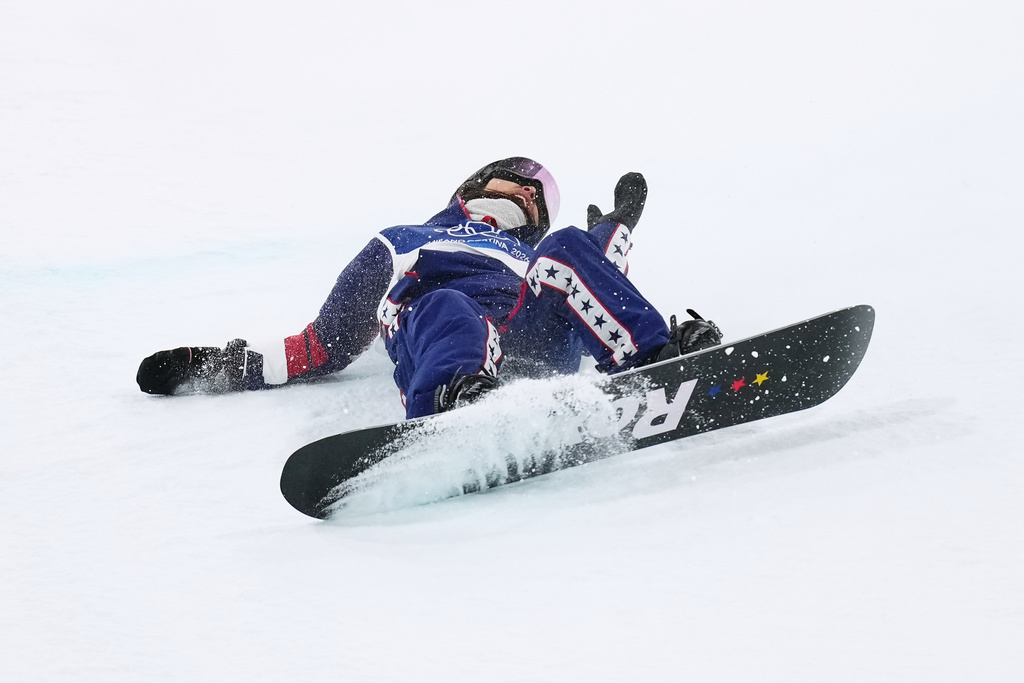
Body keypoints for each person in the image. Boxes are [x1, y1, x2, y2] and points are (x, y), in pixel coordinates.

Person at [137, 157, 722, 418]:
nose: (527, 197)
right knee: (447, 303)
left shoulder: (534, 252)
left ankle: (655, 364)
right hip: (447, 339)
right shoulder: (405, 238)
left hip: (535, 341)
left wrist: (618, 225)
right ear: (471, 188)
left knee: (570, 248)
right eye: (516, 184)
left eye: (536, 200)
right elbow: (322, 344)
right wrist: (211, 367)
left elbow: (591, 270)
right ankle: (455, 403)